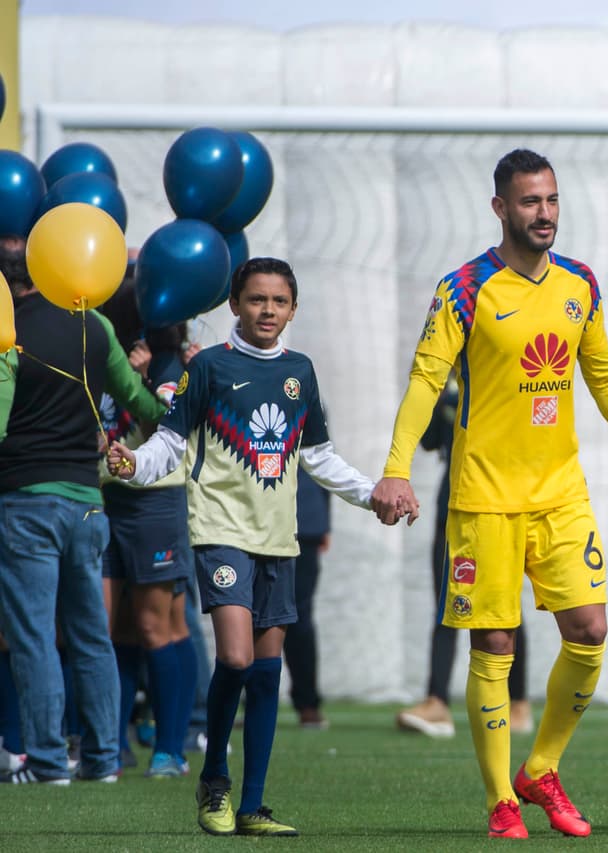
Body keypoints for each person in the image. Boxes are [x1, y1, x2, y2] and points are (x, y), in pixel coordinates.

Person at [370, 148, 608, 839]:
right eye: (531, 201)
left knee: (589, 631)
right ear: (500, 207)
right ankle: (502, 797)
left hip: (560, 492)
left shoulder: (580, 285)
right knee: (495, 641)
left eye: (553, 200)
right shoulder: (464, 288)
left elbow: (607, 379)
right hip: (482, 496)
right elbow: (424, 381)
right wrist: (397, 468)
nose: (545, 214)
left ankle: (543, 766)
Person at [108, 257, 388, 835]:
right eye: (256, 299)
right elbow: (170, 441)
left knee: (265, 673)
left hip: (276, 541)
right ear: (235, 304)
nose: (267, 311)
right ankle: (214, 778)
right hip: (220, 533)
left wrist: (374, 493)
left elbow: (317, 457)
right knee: (234, 657)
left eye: (279, 301)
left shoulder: (300, 372)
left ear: (292, 309)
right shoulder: (208, 367)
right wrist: (134, 465)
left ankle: (253, 807)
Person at [0, 242, 168, 784]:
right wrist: (178, 408)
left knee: (33, 637)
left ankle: (48, 762)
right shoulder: (94, 325)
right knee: (92, 636)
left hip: (26, 501)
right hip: (89, 507)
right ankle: (102, 760)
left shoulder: (9, 330)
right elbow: (141, 405)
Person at [97, 279, 201, 778]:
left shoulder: (165, 363)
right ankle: (111, 745)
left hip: (154, 503)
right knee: (112, 626)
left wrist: (143, 377)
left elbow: (168, 425)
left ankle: (171, 746)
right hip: (103, 498)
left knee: (158, 626)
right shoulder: (94, 353)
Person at [396, 381, 532, 739]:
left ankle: (518, 703)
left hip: (501, 512)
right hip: (452, 511)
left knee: (506, 608)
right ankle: (437, 702)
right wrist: (435, 395)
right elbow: (428, 443)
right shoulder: (452, 398)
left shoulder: (511, 389)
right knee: (447, 607)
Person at [286, 467, 330, 730]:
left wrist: (323, 522)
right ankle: (251, 695)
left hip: (304, 520)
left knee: (300, 617)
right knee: (251, 613)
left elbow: (323, 458)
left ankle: (307, 703)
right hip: (255, 520)